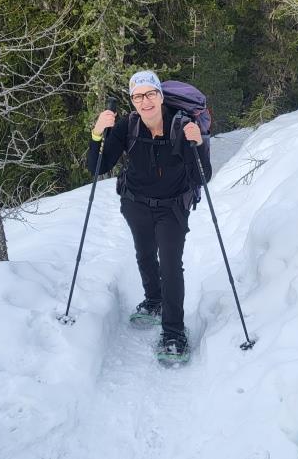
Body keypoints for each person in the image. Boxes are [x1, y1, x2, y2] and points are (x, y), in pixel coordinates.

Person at [87, 70, 212, 357]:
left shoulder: (182, 125)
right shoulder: (128, 126)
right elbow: (98, 167)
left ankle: (174, 332)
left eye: (151, 94)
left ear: (160, 95)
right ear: (132, 101)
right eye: (138, 96)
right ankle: (154, 300)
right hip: (135, 203)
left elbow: (201, 177)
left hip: (173, 207)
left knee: (170, 265)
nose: (145, 102)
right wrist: (96, 134)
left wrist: (199, 143)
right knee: (144, 255)